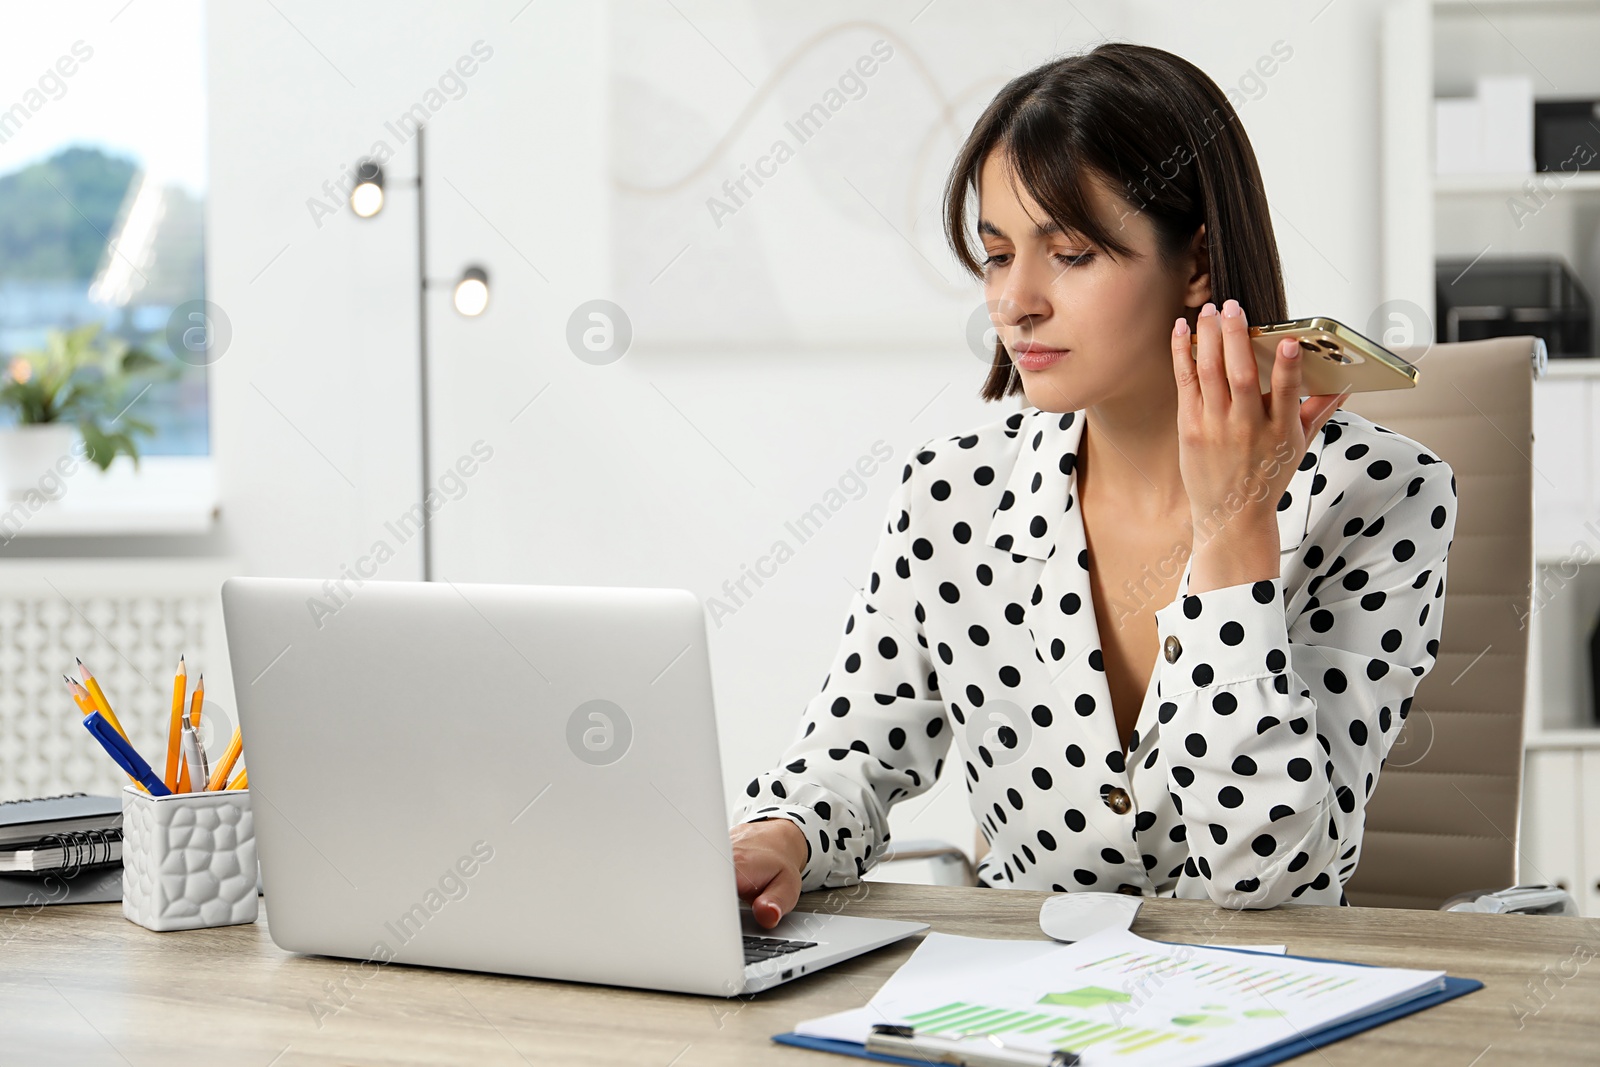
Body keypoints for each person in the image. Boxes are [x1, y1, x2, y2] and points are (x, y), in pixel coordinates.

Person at [729, 41, 1457, 926]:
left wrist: (1234, 532)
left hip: (1259, 1004)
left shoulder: (1381, 493)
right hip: (1011, 1005)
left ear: (1195, 264)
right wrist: (782, 834)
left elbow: (1272, 877)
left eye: (1070, 253)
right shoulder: (952, 491)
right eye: (999, 255)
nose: (1015, 300)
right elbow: (851, 753)